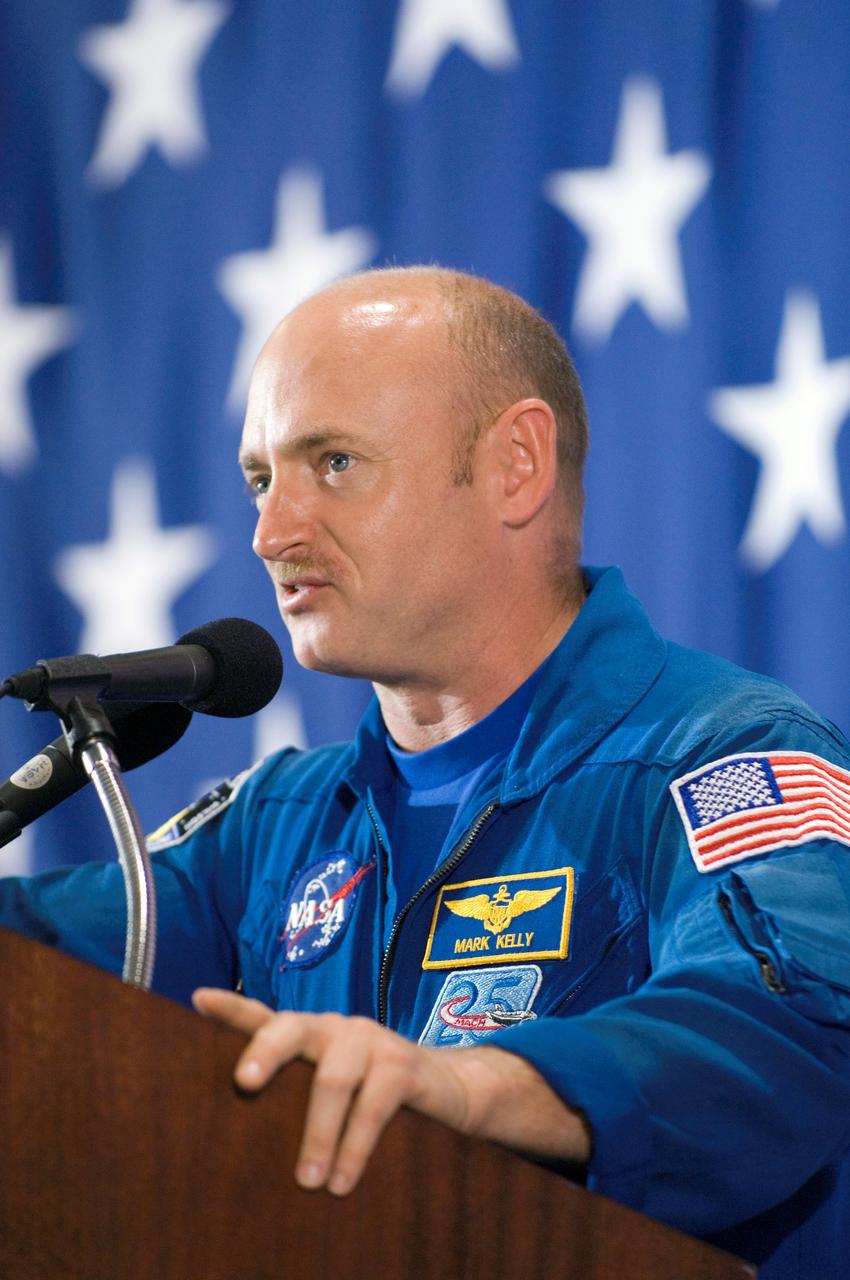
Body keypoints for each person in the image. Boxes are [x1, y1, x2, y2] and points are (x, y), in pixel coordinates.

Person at [2, 266, 850, 1279]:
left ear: (516, 465)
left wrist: (466, 1086)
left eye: (335, 462)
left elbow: (794, 1022)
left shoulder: (727, 756)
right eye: (261, 479)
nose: (271, 533)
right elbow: (38, 976)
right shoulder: (277, 824)